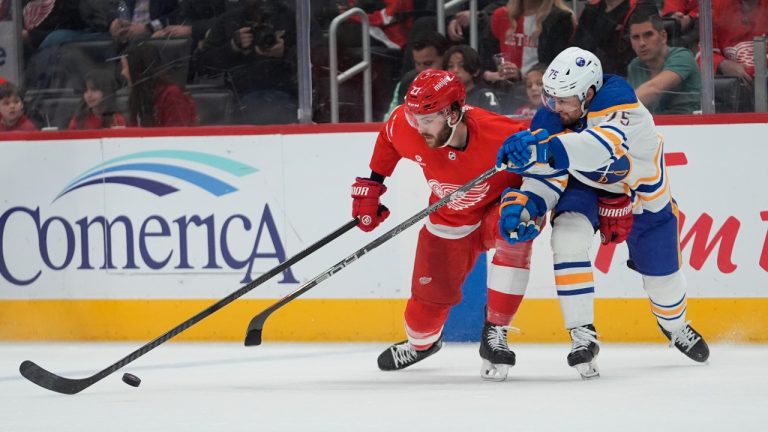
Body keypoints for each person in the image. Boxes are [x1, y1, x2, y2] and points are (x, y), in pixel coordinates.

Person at [495, 47, 709, 379]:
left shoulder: (622, 104)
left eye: (564, 100)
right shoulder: (555, 115)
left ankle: (675, 324)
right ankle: (582, 335)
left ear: (589, 93)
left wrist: (541, 149)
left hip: (642, 199)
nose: (555, 107)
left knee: (664, 285)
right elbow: (547, 175)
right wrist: (529, 205)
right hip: (588, 190)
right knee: (567, 237)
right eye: (551, 98)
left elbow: (598, 149)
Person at [352, 70, 536, 381]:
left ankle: (496, 331)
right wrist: (374, 184)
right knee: (420, 322)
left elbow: (549, 160)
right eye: (414, 118)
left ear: (452, 114)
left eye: (426, 119)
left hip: (499, 211)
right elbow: (389, 137)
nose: (418, 127)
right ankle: (423, 345)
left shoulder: (500, 133)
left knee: (517, 226)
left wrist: (535, 198)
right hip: (450, 221)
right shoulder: (408, 127)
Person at [484, 0, 575, 84]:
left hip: (541, 88)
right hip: (505, 88)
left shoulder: (560, 19)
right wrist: (489, 74)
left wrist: (521, 75)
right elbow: (486, 60)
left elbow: (560, 65)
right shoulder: (501, 16)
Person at [626, 13, 700, 114]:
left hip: (688, 122)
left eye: (648, 35)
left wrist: (616, 109)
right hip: (652, 122)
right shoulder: (635, 66)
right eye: (636, 37)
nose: (642, 43)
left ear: (663, 36)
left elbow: (654, 89)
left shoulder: (682, 57)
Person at [121, 42, 198, 127]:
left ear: (137, 69)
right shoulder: (139, 95)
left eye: (125, 67)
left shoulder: (171, 94)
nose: (123, 73)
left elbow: (178, 131)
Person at [443, 45, 504, 113]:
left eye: (462, 65)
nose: (455, 70)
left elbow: (494, 118)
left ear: (476, 71)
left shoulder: (484, 96)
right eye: (450, 66)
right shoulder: (442, 98)